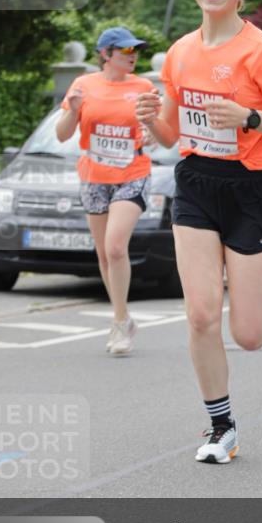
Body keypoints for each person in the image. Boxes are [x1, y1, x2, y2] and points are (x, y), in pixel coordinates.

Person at [136, 0, 262, 464]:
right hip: (196, 183)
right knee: (198, 315)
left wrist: (251, 118)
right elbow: (172, 136)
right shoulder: (179, 52)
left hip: (251, 189)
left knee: (246, 333)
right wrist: (153, 122)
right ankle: (222, 427)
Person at [56, 26, 155, 357]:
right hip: (94, 176)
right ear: (105, 54)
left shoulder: (143, 86)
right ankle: (123, 318)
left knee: (115, 247)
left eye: (135, 51)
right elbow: (62, 134)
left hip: (133, 173)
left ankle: (118, 322)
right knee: (102, 253)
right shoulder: (83, 85)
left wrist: (153, 133)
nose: (133, 56)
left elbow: (156, 127)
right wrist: (73, 108)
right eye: (126, 51)